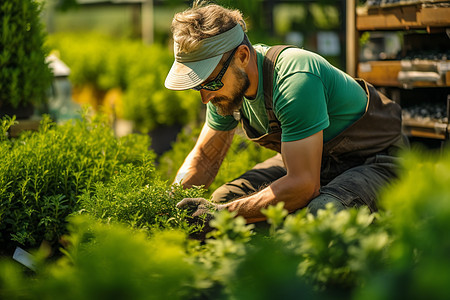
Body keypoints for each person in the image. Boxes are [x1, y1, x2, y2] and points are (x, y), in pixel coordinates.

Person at [164, 2, 407, 225]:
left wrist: (221, 214)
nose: (205, 97)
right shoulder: (225, 91)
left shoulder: (293, 79)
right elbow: (204, 159)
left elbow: (303, 185)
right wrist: (164, 205)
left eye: (211, 83)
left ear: (242, 56)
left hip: (376, 160)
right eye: (198, 87)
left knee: (322, 211)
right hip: (315, 158)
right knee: (224, 196)